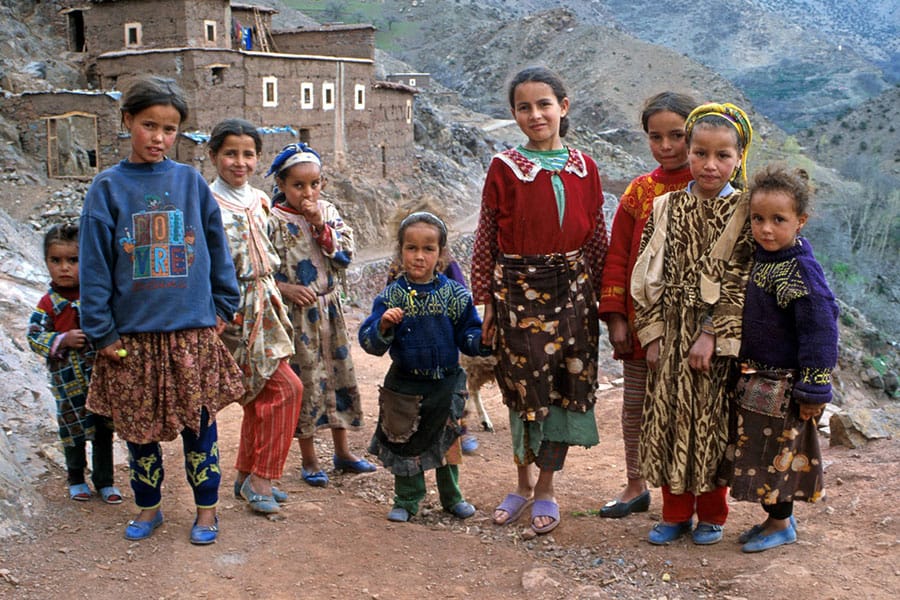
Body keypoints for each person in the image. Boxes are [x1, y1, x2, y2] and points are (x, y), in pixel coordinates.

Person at [79, 76, 244, 545]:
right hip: (131, 338)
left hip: (191, 332)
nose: (158, 137)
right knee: (139, 433)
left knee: (201, 428)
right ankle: (148, 507)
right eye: (149, 125)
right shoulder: (106, 188)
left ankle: (206, 511)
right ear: (127, 120)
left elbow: (217, 247)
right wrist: (101, 331)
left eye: (169, 129)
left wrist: (223, 305)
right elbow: (94, 263)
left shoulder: (190, 182)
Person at [470, 66, 608, 535]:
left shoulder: (586, 167)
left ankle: (546, 487)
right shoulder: (505, 167)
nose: (535, 114)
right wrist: (486, 301)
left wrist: (606, 301)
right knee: (523, 386)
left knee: (566, 386)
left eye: (544, 104)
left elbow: (597, 237)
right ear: (513, 114)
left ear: (563, 107)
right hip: (517, 290)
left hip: (574, 289)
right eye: (524, 107)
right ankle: (521, 482)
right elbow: (486, 236)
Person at [631, 102, 755, 545]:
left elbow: (741, 280)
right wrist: (653, 334)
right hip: (670, 332)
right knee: (666, 422)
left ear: (739, 157)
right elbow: (646, 275)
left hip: (716, 343)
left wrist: (710, 334)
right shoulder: (666, 208)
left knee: (712, 424)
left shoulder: (745, 212)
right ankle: (675, 512)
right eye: (701, 152)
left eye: (723, 155)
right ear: (689, 153)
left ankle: (713, 515)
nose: (710, 164)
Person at [726, 164, 838, 552]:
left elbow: (821, 331)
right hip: (758, 380)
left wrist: (815, 389)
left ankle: (780, 524)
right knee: (761, 454)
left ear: (800, 221)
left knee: (777, 458)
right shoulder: (764, 259)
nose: (766, 228)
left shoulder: (799, 271)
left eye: (778, 219)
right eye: (758, 219)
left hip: (785, 387)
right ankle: (775, 520)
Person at [598, 91, 698, 518]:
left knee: (683, 409)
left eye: (677, 135)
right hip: (642, 325)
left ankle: (683, 494)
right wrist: (617, 317)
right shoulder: (640, 192)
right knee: (636, 405)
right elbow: (618, 256)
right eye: (656, 137)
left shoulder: (708, 187)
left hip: (692, 329)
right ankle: (635, 484)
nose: (667, 146)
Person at [359, 211, 489, 522]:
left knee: (448, 443)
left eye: (428, 249)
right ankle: (406, 500)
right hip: (405, 385)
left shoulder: (454, 294)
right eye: (411, 248)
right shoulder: (392, 296)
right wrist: (384, 326)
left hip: (446, 384)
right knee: (404, 442)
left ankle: (452, 496)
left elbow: (468, 334)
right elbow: (369, 341)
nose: (419, 256)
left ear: (441, 254)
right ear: (400, 251)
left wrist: (483, 338)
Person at [207, 119, 303, 515]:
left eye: (248, 154)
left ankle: (249, 475)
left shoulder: (260, 200)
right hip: (232, 310)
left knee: (265, 391)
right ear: (213, 156)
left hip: (265, 303)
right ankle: (261, 477)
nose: (239, 162)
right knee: (285, 389)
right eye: (230, 153)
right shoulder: (207, 203)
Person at [266, 142, 376, 487]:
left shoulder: (328, 212)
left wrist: (319, 226)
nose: (308, 192)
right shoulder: (272, 220)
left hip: (330, 311)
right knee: (308, 381)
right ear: (282, 185)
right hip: (297, 317)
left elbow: (344, 256)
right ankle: (310, 458)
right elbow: (263, 272)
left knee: (338, 375)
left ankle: (343, 453)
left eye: (314, 184)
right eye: (298, 186)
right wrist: (286, 290)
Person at [27, 223, 122, 505]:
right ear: (46, 262)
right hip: (67, 384)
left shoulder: (96, 298)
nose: (64, 268)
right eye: (56, 261)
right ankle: (76, 478)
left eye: (73, 260)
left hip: (99, 380)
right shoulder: (48, 303)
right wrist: (62, 339)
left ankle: (105, 481)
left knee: (103, 429)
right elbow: (34, 336)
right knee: (72, 432)